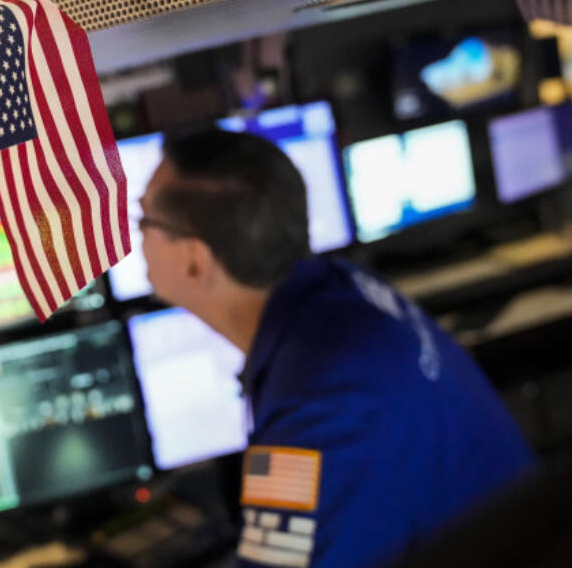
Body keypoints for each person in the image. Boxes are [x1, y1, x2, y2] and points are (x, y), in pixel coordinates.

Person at [137, 129, 534, 568]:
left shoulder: (314, 399)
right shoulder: (346, 289)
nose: (136, 235)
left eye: (145, 220)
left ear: (195, 259)